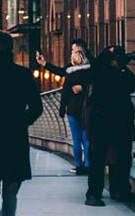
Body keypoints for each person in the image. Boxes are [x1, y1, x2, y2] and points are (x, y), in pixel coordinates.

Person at [0, 31, 43, 216]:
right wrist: (22, 122)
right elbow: (37, 107)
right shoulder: (23, 74)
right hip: (16, 136)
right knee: (11, 193)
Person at [83, 46, 135, 207]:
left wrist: (121, 67)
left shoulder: (121, 73)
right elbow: (93, 72)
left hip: (119, 121)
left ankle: (120, 190)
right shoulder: (99, 71)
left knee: (122, 157)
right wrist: (107, 56)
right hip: (101, 121)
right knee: (98, 159)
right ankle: (94, 193)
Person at [36, 39, 93, 175]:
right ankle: (88, 165)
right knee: (87, 138)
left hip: (73, 109)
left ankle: (79, 165)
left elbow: (63, 81)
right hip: (88, 108)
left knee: (76, 139)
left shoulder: (70, 72)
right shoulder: (91, 70)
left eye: (73, 50)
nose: (71, 52)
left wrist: (62, 110)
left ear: (79, 51)